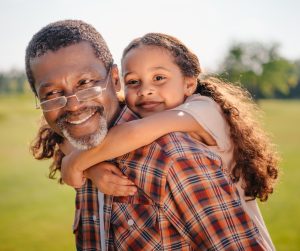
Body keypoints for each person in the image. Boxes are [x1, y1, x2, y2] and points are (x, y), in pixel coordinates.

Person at [27, 20, 267, 250]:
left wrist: (79, 162)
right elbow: (64, 139)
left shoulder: (179, 148)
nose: (73, 105)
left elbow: (134, 133)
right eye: (52, 93)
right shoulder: (89, 139)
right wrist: (90, 167)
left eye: (85, 83)